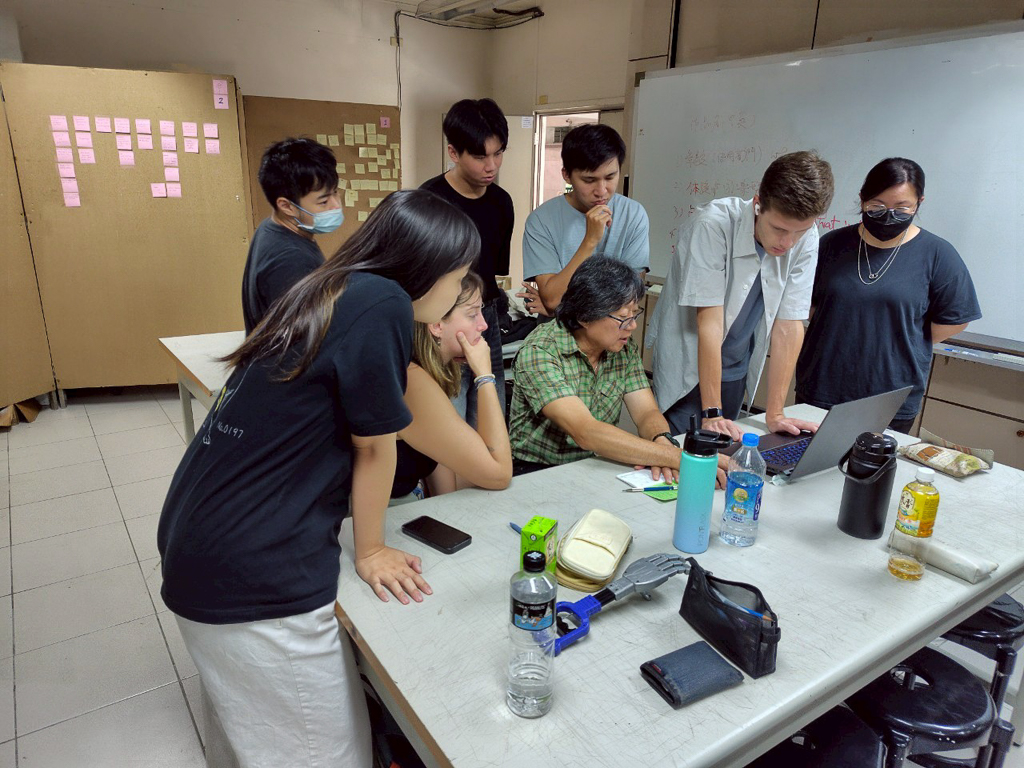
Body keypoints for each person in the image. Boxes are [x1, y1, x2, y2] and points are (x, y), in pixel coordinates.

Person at [157, 190, 478, 768]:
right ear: (428, 267)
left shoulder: (329, 287)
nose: (458, 293)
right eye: (458, 279)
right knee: (323, 752)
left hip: (201, 529)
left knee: (256, 734)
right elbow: (374, 444)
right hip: (252, 563)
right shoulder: (384, 301)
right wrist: (372, 549)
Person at [647, 150, 835, 441]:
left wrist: (776, 414)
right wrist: (712, 412)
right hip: (689, 365)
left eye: (799, 232)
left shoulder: (807, 236)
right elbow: (710, 322)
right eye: (779, 229)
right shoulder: (712, 225)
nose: (788, 242)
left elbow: (789, 325)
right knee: (679, 450)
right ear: (758, 204)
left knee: (725, 450)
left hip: (735, 366)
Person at [796, 158, 981, 432]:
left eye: (902, 208)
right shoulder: (831, 245)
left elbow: (955, 319)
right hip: (821, 387)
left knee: (874, 461)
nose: (888, 216)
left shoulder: (938, 254)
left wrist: (901, 338)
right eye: (877, 206)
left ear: (919, 203)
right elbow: (807, 306)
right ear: (862, 199)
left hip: (890, 397)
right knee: (802, 458)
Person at [510, 256, 727, 486]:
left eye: (635, 314)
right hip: (537, 472)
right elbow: (586, 432)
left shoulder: (621, 347)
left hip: (595, 463)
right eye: (623, 317)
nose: (632, 326)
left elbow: (646, 412)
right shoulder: (541, 352)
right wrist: (679, 458)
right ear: (584, 316)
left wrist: (662, 443)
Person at [420, 99, 514, 423]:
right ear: (453, 152)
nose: (492, 166)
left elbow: (495, 271)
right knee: (452, 417)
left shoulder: (501, 203)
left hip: (487, 316)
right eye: (480, 156)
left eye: (498, 153)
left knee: (491, 413)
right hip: (444, 320)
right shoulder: (430, 201)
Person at [392, 271, 513, 500]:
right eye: (472, 314)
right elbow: (500, 474)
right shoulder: (411, 379)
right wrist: (485, 376)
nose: (484, 325)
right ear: (437, 324)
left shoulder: (427, 369)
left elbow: (444, 476)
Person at [521, 123, 650, 316]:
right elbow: (554, 299)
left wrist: (563, 308)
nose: (601, 191)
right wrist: (590, 240)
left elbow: (631, 296)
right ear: (567, 175)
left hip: (615, 331)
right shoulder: (541, 220)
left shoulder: (633, 214)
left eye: (610, 177)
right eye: (589, 180)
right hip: (556, 334)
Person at [241, 137, 342, 333]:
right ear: (287, 206)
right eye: (323, 201)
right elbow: (300, 339)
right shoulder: (292, 260)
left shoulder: (270, 227)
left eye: (335, 192)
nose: (336, 205)